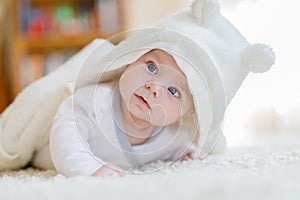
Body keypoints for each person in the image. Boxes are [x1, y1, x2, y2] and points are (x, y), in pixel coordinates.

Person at [0, 0, 275, 175]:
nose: (154, 87)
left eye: (174, 92)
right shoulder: (93, 101)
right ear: (132, 59)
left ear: (186, 115)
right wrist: (90, 170)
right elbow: (64, 134)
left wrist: (190, 152)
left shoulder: (171, 136)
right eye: (152, 67)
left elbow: (183, 146)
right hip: (46, 150)